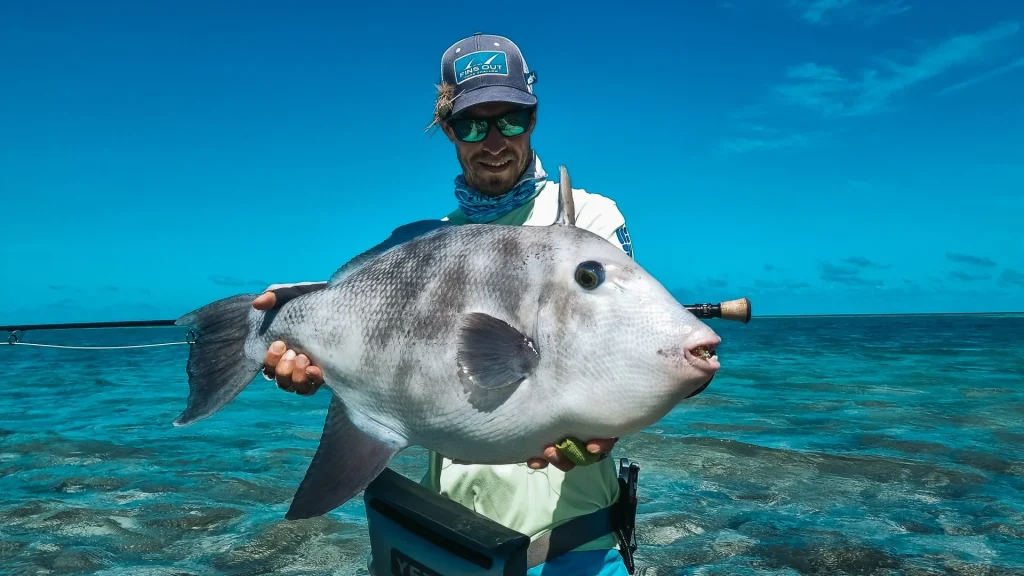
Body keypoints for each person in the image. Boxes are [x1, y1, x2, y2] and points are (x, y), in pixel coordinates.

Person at [252, 32, 637, 576]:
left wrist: (585, 446)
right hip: (451, 545)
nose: (494, 140)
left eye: (512, 119)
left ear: (534, 118)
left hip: (575, 549)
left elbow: (632, 356)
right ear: (448, 131)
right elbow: (388, 357)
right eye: (472, 124)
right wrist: (317, 360)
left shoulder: (586, 225)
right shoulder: (425, 244)